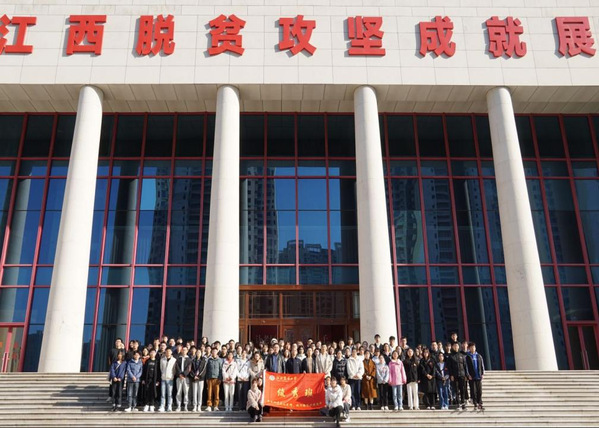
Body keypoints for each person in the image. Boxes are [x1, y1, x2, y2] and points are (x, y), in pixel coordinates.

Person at [448, 342, 468, 410]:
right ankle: (458, 404)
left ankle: (463, 403)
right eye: (454, 346)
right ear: (452, 347)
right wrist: (451, 375)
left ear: (458, 347)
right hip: (455, 375)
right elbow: (449, 367)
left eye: (457, 346)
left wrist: (466, 375)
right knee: (456, 390)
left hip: (462, 375)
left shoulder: (462, 355)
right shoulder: (451, 356)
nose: (456, 347)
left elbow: (465, 365)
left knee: (462, 389)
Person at [466, 342, 485, 410]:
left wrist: (482, 373)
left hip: (478, 376)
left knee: (479, 391)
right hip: (472, 376)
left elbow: (482, 365)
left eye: (473, 347)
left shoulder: (479, 356)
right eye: (471, 347)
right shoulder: (467, 357)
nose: (472, 348)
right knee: (473, 391)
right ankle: (475, 403)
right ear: (469, 348)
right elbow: (466, 367)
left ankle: (480, 403)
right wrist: (468, 375)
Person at [174, 346, 192, 411]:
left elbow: (189, 368)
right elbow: (176, 367)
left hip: (186, 378)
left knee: (186, 392)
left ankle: (185, 406)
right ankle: (178, 406)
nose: (184, 351)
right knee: (179, 392)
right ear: (181, 351)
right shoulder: (178, 359)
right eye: (183, 350)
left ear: (187, 351)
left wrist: (184, 374)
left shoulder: (189, 359)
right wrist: (180, 374)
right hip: (179, 377)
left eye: (185, 350)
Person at [205, 347, 223, 411]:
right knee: (209, 393)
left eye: (215, 351)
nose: (214, 352)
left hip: (217, 378)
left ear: (217, 352)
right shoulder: (209, 360)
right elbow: (207, 370)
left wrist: (220, 378)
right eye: (213, 351)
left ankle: (216, 406)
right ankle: (209, 405)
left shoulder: (219, 360)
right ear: (211, 352)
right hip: (210, 378)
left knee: (216, 393)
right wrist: (207, 378)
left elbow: (220, 370)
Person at [158, 347, 176, 412]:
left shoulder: (174, 360)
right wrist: (163, 374)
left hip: (170, 378)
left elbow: (174, 369)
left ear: (171, 352)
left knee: (169, 393)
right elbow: (161, 368)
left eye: (169, 351)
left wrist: (172, 375)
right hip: (163, 378)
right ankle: (162, 406)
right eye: (167, 351)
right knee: (163, 394)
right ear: (165, 352)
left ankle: (169, 406)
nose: (168, 352)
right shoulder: (162, 360)